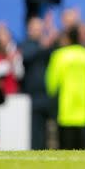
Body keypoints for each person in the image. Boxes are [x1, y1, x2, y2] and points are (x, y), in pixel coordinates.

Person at [45, 26, 85, 150]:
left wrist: (51, 93)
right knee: (81, 142)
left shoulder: (60, 55)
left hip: (65, 102)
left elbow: (52, 81)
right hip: (83, 102)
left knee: (65, 142)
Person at [19, 16, 57, 149]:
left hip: (48, 95)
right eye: (35, 28)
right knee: (36, 130)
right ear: (29, 30)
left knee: (50, 131)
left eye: (40, 28)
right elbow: (26, 57)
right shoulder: (26, 44)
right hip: (33, 96)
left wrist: (51, 33)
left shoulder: (46, 46)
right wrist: (44, 45)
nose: (37, 31)